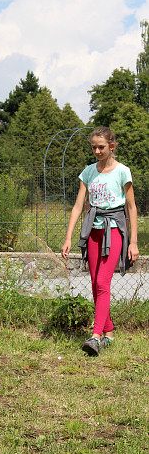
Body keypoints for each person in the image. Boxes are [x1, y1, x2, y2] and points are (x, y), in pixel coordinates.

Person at [61, 127, 139, 356]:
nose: (96, 151)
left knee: (103, 281)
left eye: (101, 147)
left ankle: (95, 336)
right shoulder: (88, 172)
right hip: (92, 230)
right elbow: (78, 207)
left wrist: (133, 242)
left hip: (114, 230)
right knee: (95, 282)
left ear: (111, 146)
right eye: (93, 147)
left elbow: (132, 208)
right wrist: (68, 237)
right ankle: (109, 333)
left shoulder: (123, 172)